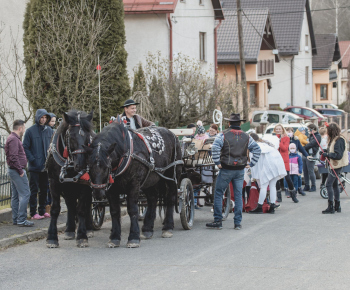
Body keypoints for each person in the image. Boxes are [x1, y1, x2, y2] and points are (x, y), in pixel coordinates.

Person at [206, 113, 261, 230]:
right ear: (240, 123)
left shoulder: (223, 135)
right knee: (238, 195)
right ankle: (237, 223)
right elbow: (257, 149)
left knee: (219, 193)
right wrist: (251, 163)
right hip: (240, 169)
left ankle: (218, 221)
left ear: (229, 123)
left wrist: (217, 162)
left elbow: (215, 147)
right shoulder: (247, 136)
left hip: (226, 168)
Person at [23, 109, 53, 219]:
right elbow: (25, 146)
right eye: (42, 117)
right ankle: (33, 212)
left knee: (44, 190)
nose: (43, 119)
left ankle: (42, 211)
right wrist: (32, 159)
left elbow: (52, 146)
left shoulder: (49, 130)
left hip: (45, 166)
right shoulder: (30, 131)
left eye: (45, 118)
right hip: (34, 167)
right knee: (34, 190)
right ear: (37, 117)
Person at [248, 133, 287, 214]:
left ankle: (259, 207)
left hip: (267, 167)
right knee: (272, 186)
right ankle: (272, 206)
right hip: (276, 166)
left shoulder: (254, 148)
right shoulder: (266, 145)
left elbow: (255, 163)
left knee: (263, 186)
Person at [5, 120, 34, 227]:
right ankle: (21, 219)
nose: (24, 130)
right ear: (20, 128)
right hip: (17, 171)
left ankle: (16, 219)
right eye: (24, 128)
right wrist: (20, 170)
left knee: (16, 196)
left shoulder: (13, 138)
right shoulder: (13, 139)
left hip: (14, 170)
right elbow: (13, 156)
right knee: (25, 193)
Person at [321, 123, 348, 214]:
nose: (327, 133)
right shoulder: (334, 139)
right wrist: (326, 151)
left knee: (328, 185)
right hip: (334, 165)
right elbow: (333, 151)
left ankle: (331, 207)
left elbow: (338, 155)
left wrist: (328, 155)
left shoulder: (339, 140)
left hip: (337, 165)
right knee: (335, 185)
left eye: (328, 131)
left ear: (331, 131)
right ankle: (337, 206)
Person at [273, 124, 299, 203]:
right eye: (276, 129)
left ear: (282, 129)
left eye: (279, 129)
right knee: (276, 178)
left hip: (284, 159)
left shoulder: (286, 138)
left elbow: (284, 148)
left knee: (287, 177)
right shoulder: (273, 138)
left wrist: (278, 141)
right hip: (275, 159)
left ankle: (293, 194)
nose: (278, 130)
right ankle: (279, 196)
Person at [285, 127, 308, 196]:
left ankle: (299, 188)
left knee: (298, 176)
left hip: (295, 157)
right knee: (287, 176)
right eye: (288, 131)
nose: (289, 132)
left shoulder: (296, 139)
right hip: (287, 158)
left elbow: (301, 148)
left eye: (291, 131)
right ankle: (287, 189)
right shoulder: (284, 139)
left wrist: (307, 155)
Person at [303, 123, 321, 192]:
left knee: (310, 171)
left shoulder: (317, 136)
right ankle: (307, 185)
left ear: (312, 129)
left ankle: (313, 185)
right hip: (305, 154)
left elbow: (311, 144)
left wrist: (303, 148)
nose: (308, 131)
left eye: (308, 129)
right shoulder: (310, 136)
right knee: (305, 171)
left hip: (311, 155)